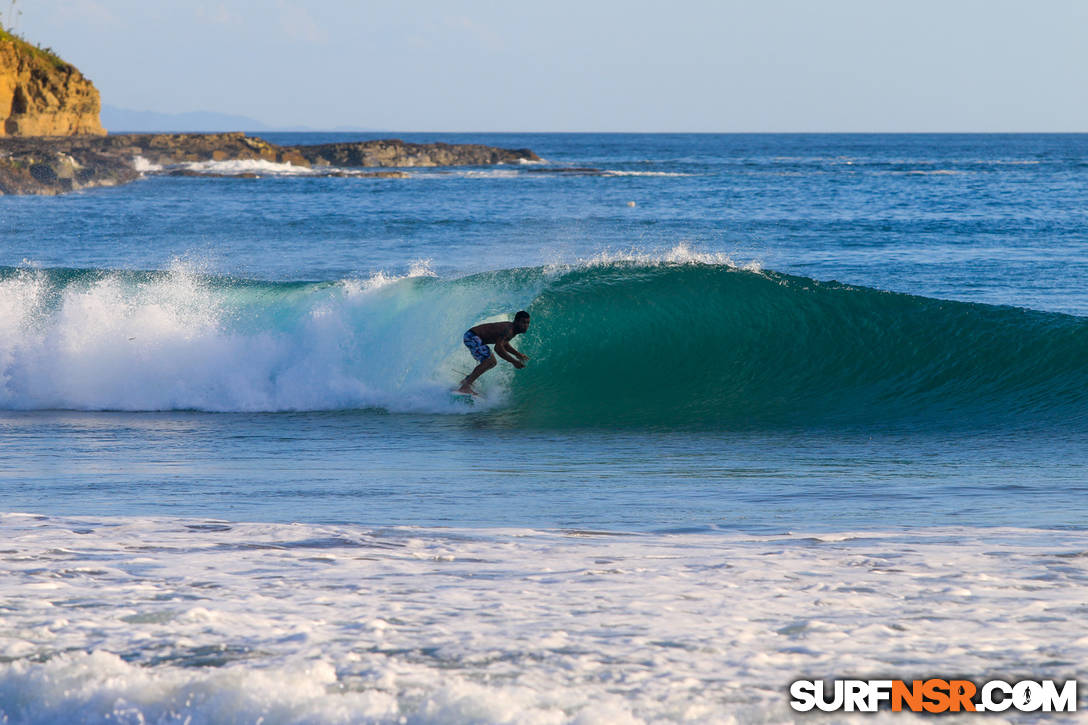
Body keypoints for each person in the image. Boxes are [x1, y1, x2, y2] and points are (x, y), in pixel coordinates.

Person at [457, 311, 530, 394]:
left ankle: (466, 381)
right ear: (516, 321)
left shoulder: (512, 330)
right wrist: (514, 362)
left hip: (472, 337)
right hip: (472, 337)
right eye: (523, 322)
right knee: (489, 361)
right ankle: (465, 387)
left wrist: (518, 354)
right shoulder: (508, 330)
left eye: (527, 323)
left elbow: (504, 344)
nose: (526, 325)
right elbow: (498, 348)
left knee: (492, 362)